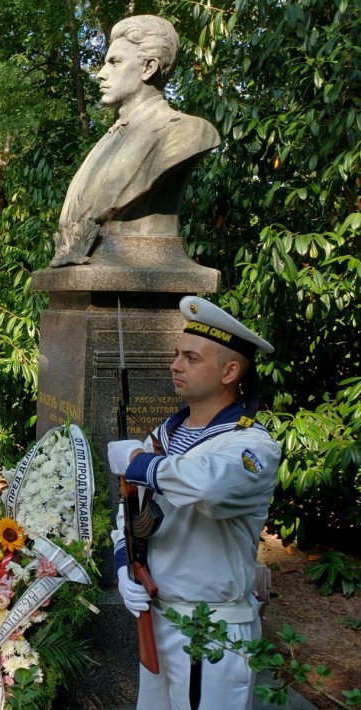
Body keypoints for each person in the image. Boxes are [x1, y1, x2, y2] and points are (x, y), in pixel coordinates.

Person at [107, 296, 281, 710]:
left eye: (191, 357)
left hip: (211, 629)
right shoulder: (163, 435)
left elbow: (207, 487)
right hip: (156, 617)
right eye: (175, 354)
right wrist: (123, 567)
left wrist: (138, 463)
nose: (175, 365)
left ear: (230, 371)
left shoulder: (252, 447)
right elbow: (128, 515)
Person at [49, 15, 221, 267]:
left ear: (148, 67)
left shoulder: (187, 133)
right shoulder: (105, 142)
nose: (101, 74)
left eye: (114, 62)